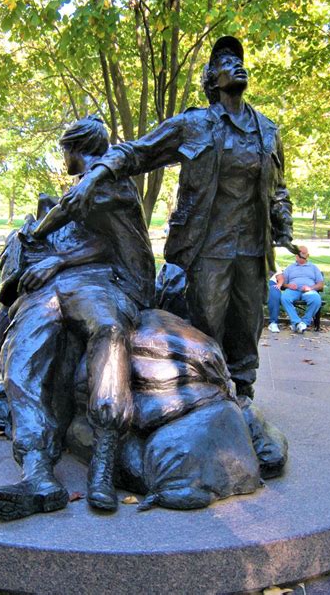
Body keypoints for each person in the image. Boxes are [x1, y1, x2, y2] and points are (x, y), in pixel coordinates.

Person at [60, 36, 293, 399]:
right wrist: (95, 176)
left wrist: (284, 224)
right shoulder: (193, 125)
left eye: (238, 60)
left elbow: (278, 188)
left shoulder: (269, 131)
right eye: (226, 62)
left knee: (248, 326)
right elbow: (137, 153)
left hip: (253, 247)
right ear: (212, 80)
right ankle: (210, 397)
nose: (237, 65)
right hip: (208, 247)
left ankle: (243, 395)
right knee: (206, 329)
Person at [0, 117, 155, 520]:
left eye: (65, 151)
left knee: (108, 329)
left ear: (76, 149)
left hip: (99, 283)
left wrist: (52, 252)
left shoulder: (105, 181)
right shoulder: (44, 221)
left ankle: (104, 460)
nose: (65, 160)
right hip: (46, 293)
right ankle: (38, 474)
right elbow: (11, 296)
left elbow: (90, 230)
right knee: (21, 362)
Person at [280, 245, 324, 333]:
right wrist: (288, 286)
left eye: (303, 253)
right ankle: (296, 322)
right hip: (293, 290)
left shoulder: (313, 267)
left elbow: (320, 284)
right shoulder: (290, 268)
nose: (300, 255)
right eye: (298, 253)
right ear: (295, 255)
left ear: (307, 255)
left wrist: (310, 288)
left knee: (316, 299)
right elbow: (282, 283)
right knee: (284, 298)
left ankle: (304, 322)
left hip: (309, 291)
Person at [267, 268, 284, 333]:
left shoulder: (272, 263)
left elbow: (280, 278)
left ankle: (273, 323)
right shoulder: (250, 260)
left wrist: (279, 284)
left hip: (270, 283)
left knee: (274, 293)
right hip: (253, 284)